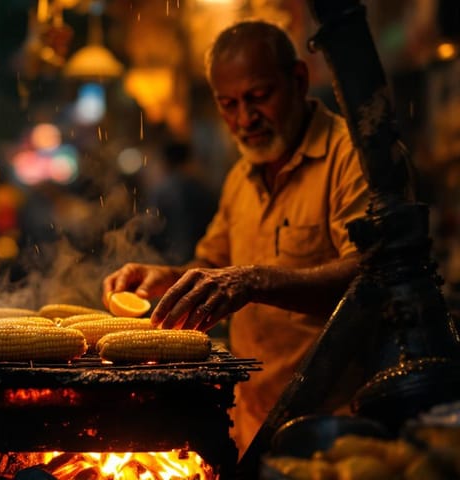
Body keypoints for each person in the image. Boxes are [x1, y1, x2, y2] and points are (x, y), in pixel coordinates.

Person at [101, 20, 370, 455]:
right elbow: (212, 265)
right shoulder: (241, 177)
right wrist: (167, 278)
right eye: (228, 105)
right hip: (250, 424)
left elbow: (370, 279)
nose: (244, 119)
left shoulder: (352, 158)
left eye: (259, 97)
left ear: (299, 79)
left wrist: (254, 282)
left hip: (332, 432)